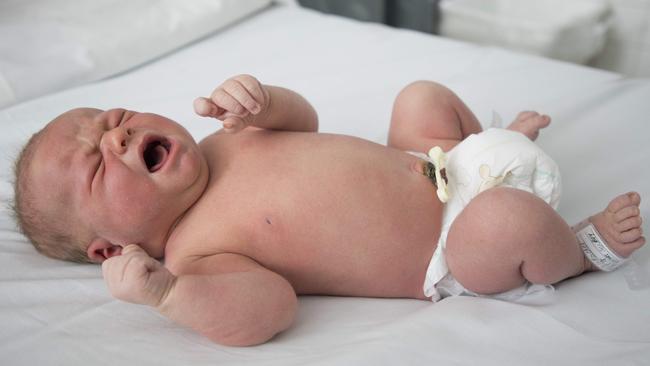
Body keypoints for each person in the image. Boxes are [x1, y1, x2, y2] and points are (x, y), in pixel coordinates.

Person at [13, 75, 645, 346]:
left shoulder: (220, 140)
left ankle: (498, 152)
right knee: (506, 220)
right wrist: (169, 296)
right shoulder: (196, 255)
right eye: (97, 166)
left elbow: (305, 123)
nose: (116, 138)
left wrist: (264, 105)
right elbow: (268, 311)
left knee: (420, 95)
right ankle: (577, 252)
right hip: (450, 245)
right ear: (108, 250)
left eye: (115, 119)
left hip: (438, 164)